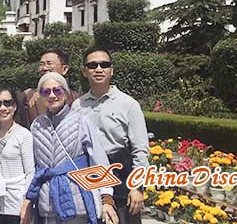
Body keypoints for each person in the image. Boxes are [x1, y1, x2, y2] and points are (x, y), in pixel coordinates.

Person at [20, 73, 118, 224]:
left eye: (57, 91)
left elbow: (99, 160)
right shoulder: (36, 126)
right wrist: (29, 198)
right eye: (46, 92)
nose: (52, 95)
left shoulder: (81, 121)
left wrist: (106, 198)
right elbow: (33, 167)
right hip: (46, 204)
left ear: (65, 93)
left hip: (78, 200)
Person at [73, 48, 149, 224]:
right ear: (85, 71)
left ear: (111, 70)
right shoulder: (77, 106)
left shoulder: (128, 104)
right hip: (91, 175)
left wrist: (137, 187)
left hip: (121, 176)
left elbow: (140, 150)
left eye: (104, 65)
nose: (98, 69)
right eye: (92, 65)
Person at [0, 88, 33, 224]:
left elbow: (30, 171)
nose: (3, 108)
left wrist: (26, 203)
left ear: (15, 106)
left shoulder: (24, 135)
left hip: (17, 203)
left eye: (8, 103)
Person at [19, 49, 82, 127]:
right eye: (41, 64)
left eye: (49, 63)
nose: (44, 68)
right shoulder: (27, 98)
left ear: (64, 69)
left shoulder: (78, 99)